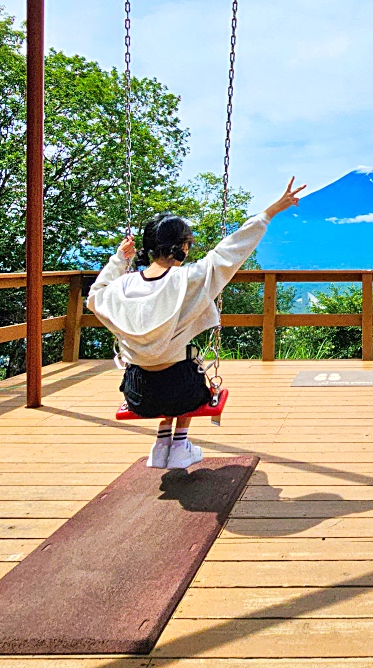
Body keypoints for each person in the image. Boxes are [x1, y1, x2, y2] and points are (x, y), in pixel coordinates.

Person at [88, 177, 305, 469]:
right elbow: (230, 251)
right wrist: (269, 212)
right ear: (181, 248)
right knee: (185, 364)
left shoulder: (122, 287)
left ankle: (162, 443)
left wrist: (117, 260)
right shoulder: (187, 280)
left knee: (159, 364)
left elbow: (95, 295)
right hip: (182, 391)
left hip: (139, 394)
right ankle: (179, 445)